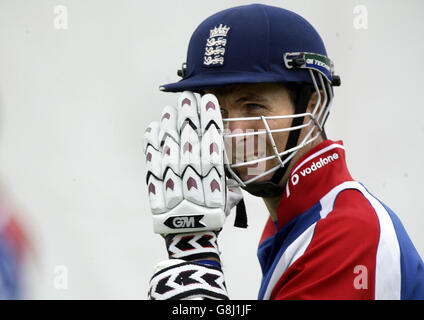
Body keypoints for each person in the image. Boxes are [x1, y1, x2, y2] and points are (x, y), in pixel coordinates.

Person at [144, 4, 424, 300]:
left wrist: (196, 266)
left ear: (313, 105)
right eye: (220, 111)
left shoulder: (349, 233)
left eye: (253, 106)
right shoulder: (293, 220)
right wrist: (193, 240)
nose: (235, 134)